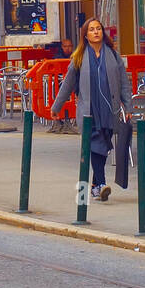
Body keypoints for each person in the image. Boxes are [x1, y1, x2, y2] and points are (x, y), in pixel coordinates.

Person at [50, 18, 129, 201]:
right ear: (85, 35)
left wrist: (128, 105)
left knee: (103, 146)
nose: (96, 32)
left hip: (109, 110)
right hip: (89, 111)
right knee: (95, 144)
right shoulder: (79, 57)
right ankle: (101, 184)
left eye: (98, 29)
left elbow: (124, 82)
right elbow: (68, 83)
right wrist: (57, 106)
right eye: (92, 29)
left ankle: (93, 187)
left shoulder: (113, 55)